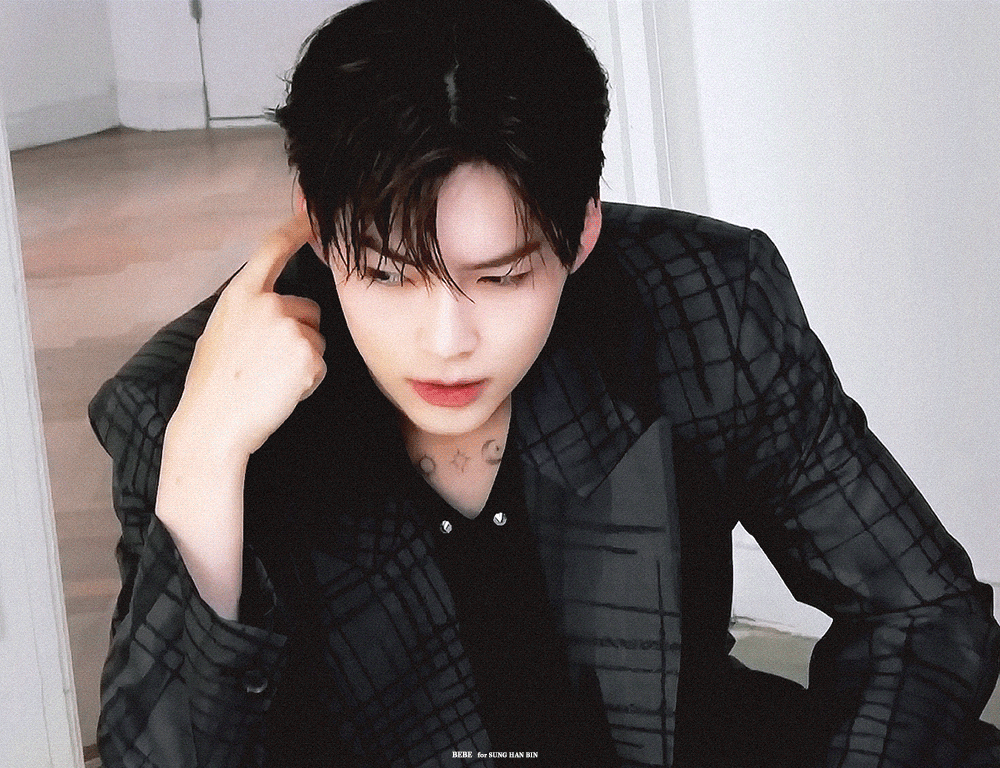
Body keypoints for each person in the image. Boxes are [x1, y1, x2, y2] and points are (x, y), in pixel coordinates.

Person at [89, 0, 1000, 766]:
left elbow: (921, 609)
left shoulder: (703, 302)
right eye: (390, 275)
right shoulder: (186, 402)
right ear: (317, 226)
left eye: (502, 277)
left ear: (583, 231)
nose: (446, 343)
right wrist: (203, 457)